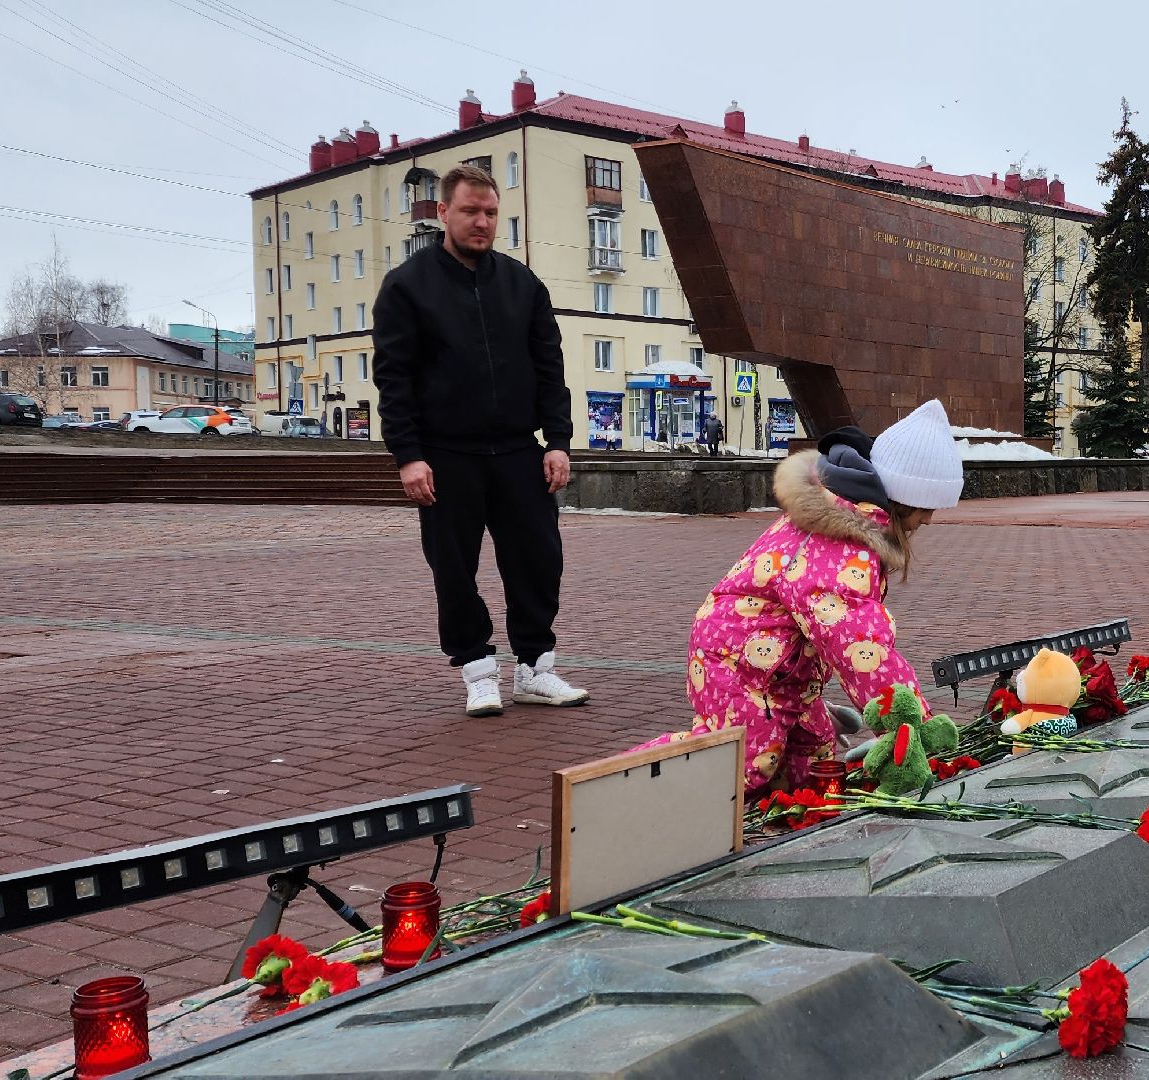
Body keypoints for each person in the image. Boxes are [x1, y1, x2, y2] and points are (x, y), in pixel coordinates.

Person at [633, 399, 964, 796]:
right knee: (742, 764)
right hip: (737, 663)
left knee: (814, 761)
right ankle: (620, 789)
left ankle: (780, 831)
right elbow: (860, 648)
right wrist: (911, 727)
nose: (928, 520)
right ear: (905, 496)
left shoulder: (848, 524)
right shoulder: (839, 546)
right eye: (926, 508)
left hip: (781, 669)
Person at [374, 162, 590, 717]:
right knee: (454, 568)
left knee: (539, 561)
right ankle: (477, 671)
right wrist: (409, 455)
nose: (482, 222)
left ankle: (535, 670)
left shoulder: (523, 285)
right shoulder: (406, 287)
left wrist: (558, 440)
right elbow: (393, 378)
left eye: (491, 212)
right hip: (445, 455)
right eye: (470, 211)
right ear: (443, 212)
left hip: (520, 450)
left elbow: (550, 368)